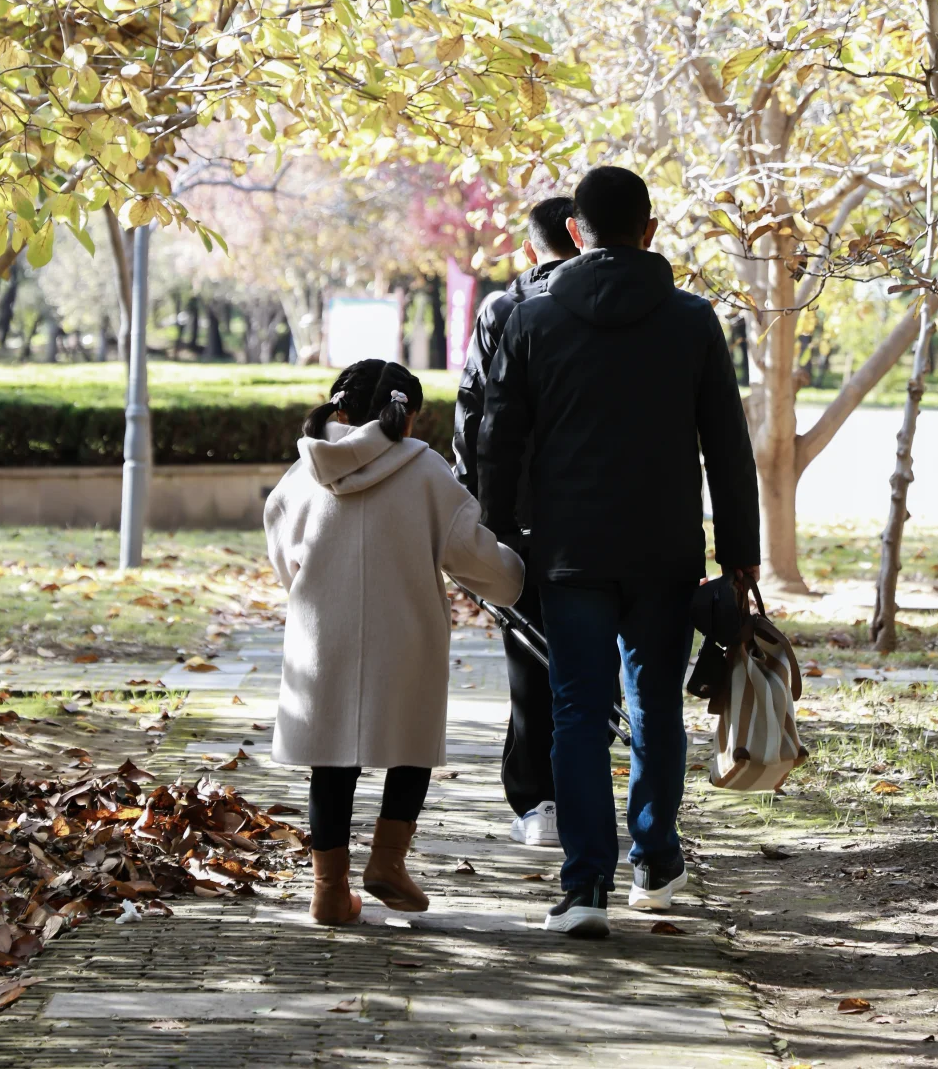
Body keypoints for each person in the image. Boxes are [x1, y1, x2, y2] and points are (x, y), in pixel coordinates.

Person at [478, 167, 760, 938]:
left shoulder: (530, 320)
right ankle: (655, 861)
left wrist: (492, 539)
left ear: (577, 232)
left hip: (568, 552)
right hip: (666, 550)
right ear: (650, 230)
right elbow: (727, 450)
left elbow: (499, 440)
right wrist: (741, 553)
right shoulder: (693, 321)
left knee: (575, 712)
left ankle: (584, 888)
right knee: (654, 705)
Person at [264, 357, 524, 926]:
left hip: (320, 638)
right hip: (405, 636)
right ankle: (387, 862)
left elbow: (286, 560)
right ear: (405, 418)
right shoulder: (426, 472)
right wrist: (516, 574)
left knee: (330, 763)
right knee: (411, 747)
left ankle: (328, 892)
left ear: (340, 408)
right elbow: (475, 558)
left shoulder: (301, 471)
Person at [453, 196, 576, 846]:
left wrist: (478, 515)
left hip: (520, 519)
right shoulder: (604, 307)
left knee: (529, 658)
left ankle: (539, 803)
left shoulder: (503, 310)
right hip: (592, 516)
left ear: (529, 251)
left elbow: (473, 415)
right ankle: (588, 795)